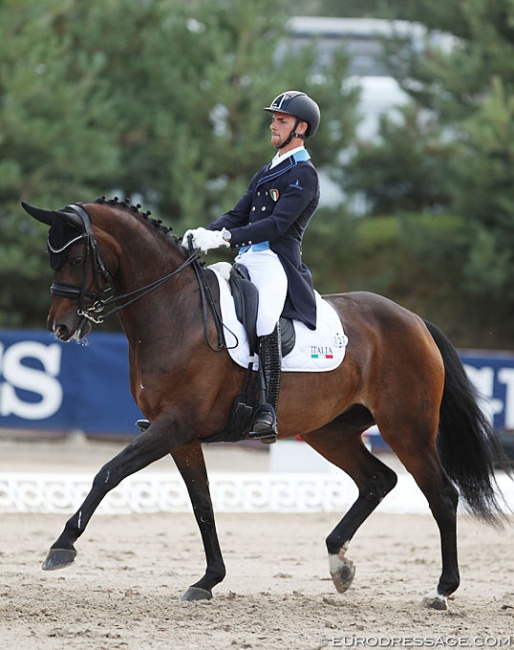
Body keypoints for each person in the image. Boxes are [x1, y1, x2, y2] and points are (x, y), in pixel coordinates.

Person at [184, 90, 321, 443]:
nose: (273, 125)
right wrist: (206, 232)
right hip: (245, 259)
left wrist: (226, 238)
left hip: (276, 262)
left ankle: (266, 409)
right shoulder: (266, 171)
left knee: (264, 320)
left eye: (282, 120)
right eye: (274, 119)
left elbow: (277, 225)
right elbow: (237, 213)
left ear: (300, 128)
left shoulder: (303, 174)